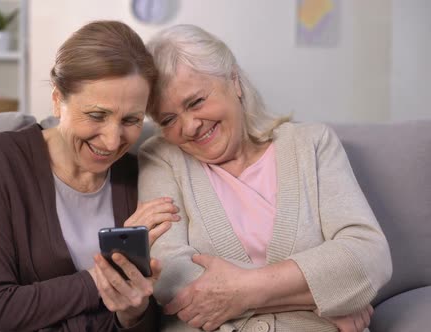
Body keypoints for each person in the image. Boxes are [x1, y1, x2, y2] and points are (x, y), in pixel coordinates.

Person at [138, 24, 392, 332]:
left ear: (234, 82)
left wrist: (244, 290)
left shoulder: (312, 143)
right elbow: (171, 276)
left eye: (196, 102)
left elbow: (369, 258)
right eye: (168, 119)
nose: (189, 126)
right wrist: (321, 295)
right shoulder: (161, 156)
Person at [0, 21, 180, 332]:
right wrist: (101, 279)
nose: (113, 142)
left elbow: (144, 318)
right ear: (58, 100)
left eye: (131, 120)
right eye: (97, 115)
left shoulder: (138, 175)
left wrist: (132, 313)